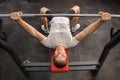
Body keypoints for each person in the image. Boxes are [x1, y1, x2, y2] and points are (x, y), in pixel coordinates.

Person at [10, 5, 111, 68]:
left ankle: (46, 28)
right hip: (66, 18)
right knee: (77, 8)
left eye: (57, 55)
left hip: (54, 18)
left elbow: (34, 33)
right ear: (67, 55)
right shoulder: (71, 43)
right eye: (62, 56)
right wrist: (101, 21)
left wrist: (19, 20)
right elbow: (85, 32)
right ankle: (74, 27)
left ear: (53, 55)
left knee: (42, 9)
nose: (60, 53)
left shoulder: (49, 43)